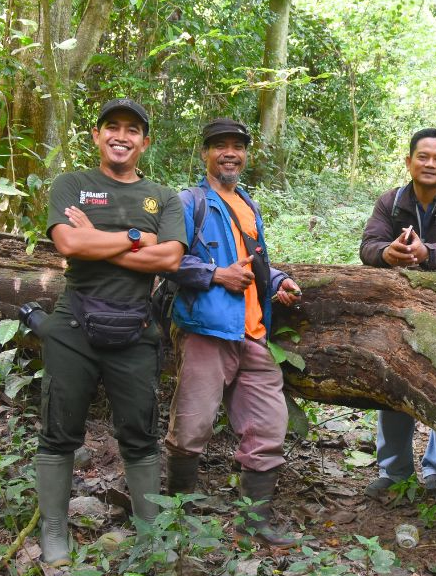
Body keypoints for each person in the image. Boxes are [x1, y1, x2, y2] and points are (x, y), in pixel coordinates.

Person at [37, 98, 186, 567]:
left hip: (136, 325)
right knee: (59, 431)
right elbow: (67, 243)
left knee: (140, 434)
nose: (121, 136)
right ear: (97, 135)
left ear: (145, 141)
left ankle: (149, 534)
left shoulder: (164, 197)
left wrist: (98, 241)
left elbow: (171, 259)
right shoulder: (73, 185)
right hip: (73, 324)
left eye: (132, 130)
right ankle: (54, 532)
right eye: (112, 127)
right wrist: (139, 239)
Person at [162, 118, 302, 546]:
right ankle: (178, 517)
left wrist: (276, 282)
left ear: (246, 155)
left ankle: (254, 522)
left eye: (237, 147)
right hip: (206, 331)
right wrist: (214, 274)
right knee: (191, 426)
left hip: (254, 334)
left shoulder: (247, 204)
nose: (229, 153)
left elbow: (254, 260)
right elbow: (164, 260)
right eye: (219, 146)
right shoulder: (188, 202)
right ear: (205, 153)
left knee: (269, 427)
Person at [359, 128, 436, 496]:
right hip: (401, 311)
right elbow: (369, 244)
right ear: (409, 161)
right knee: (394, 384)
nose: (430, 164)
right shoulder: (391, 201)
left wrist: (427, 254)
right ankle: (395, 473)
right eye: (423, 157)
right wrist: (387, 254)